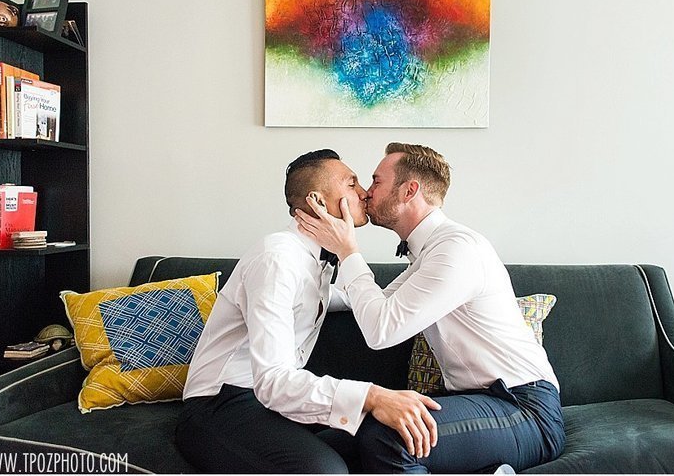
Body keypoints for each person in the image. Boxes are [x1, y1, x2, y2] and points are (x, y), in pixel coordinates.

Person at [295, 143, 566, 473]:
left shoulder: (456, 249)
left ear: (409, 190)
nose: (366, 193)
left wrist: (348, 251)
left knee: (390, 437)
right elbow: (363, 299)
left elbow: (381, 331)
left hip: (523, 409)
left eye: (376, 181)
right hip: (475, 403)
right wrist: (298, 292)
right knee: (324, 449)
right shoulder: (427, 256)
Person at [175, 149, 441, 474]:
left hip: (269, 404)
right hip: (220, 404)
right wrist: (372, 396)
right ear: (317, 201)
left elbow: (336, 300)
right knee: (326, 471)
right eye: (352, 183)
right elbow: (272, 380)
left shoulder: (318, 262)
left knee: (379, 441)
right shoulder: (277, 259)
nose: (364, 193)